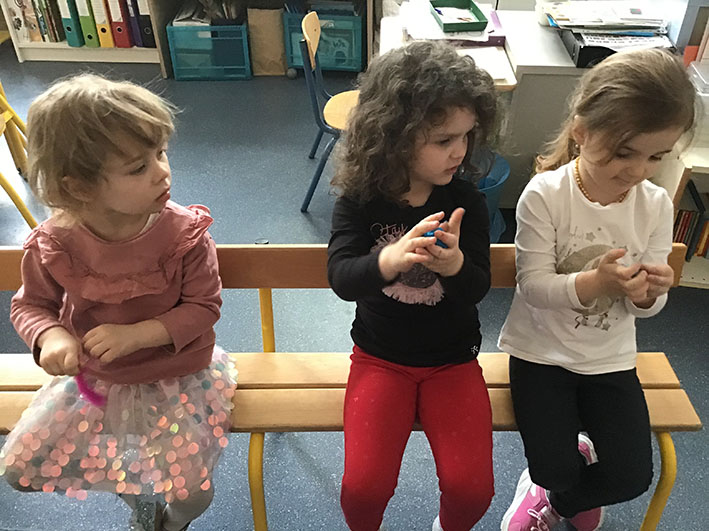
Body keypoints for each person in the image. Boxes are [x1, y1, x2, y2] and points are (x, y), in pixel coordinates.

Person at [0, 74, 236, 531]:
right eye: (137, 168)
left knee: (192, 493)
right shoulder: (55, 243)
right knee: (18, 470)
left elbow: (204, 307)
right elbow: (29, 307)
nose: (162, 172)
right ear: (80, 188)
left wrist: (137, 335)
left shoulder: (183, 235)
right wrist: (50, 336)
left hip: (178, 378)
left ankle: (170, 523)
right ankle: (139, 505)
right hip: (96, 384)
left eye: (161, 154)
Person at [498, 49, 696, 531]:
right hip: (539, 353)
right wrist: (595, 283)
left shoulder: (654, 204)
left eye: (657, 156)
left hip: (609, 358)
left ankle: (558, 502)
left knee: (632, 476)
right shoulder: (546, 194)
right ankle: (551, 485)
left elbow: (647, 308)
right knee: (553, 469)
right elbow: (533, 286)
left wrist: (649, 293)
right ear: (581, 131)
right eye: (625, 153)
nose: (639, 170)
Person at [327, 41, 499, 531]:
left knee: (472, 490)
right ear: (396, 138)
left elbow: (478, 287)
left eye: (466, 136)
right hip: (380, 358)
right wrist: (390, 258)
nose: (460, 151)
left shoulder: (467, 201)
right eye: (444, 140)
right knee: (363, 489)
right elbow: (341, 277)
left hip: (453, 360)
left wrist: (455, 265)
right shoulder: (360, 199)